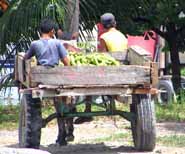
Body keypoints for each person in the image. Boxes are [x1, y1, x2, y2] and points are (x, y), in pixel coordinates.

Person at [24, 18, 71, 146]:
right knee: (63, 103)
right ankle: (67, 129)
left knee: (58, 105)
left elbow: (26, 58)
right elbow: (67, 63)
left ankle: (62, 133)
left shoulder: (34, 44)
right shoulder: (57, 43)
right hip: (57, 79)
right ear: (52, 31)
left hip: (41, 79)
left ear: (41, 31)